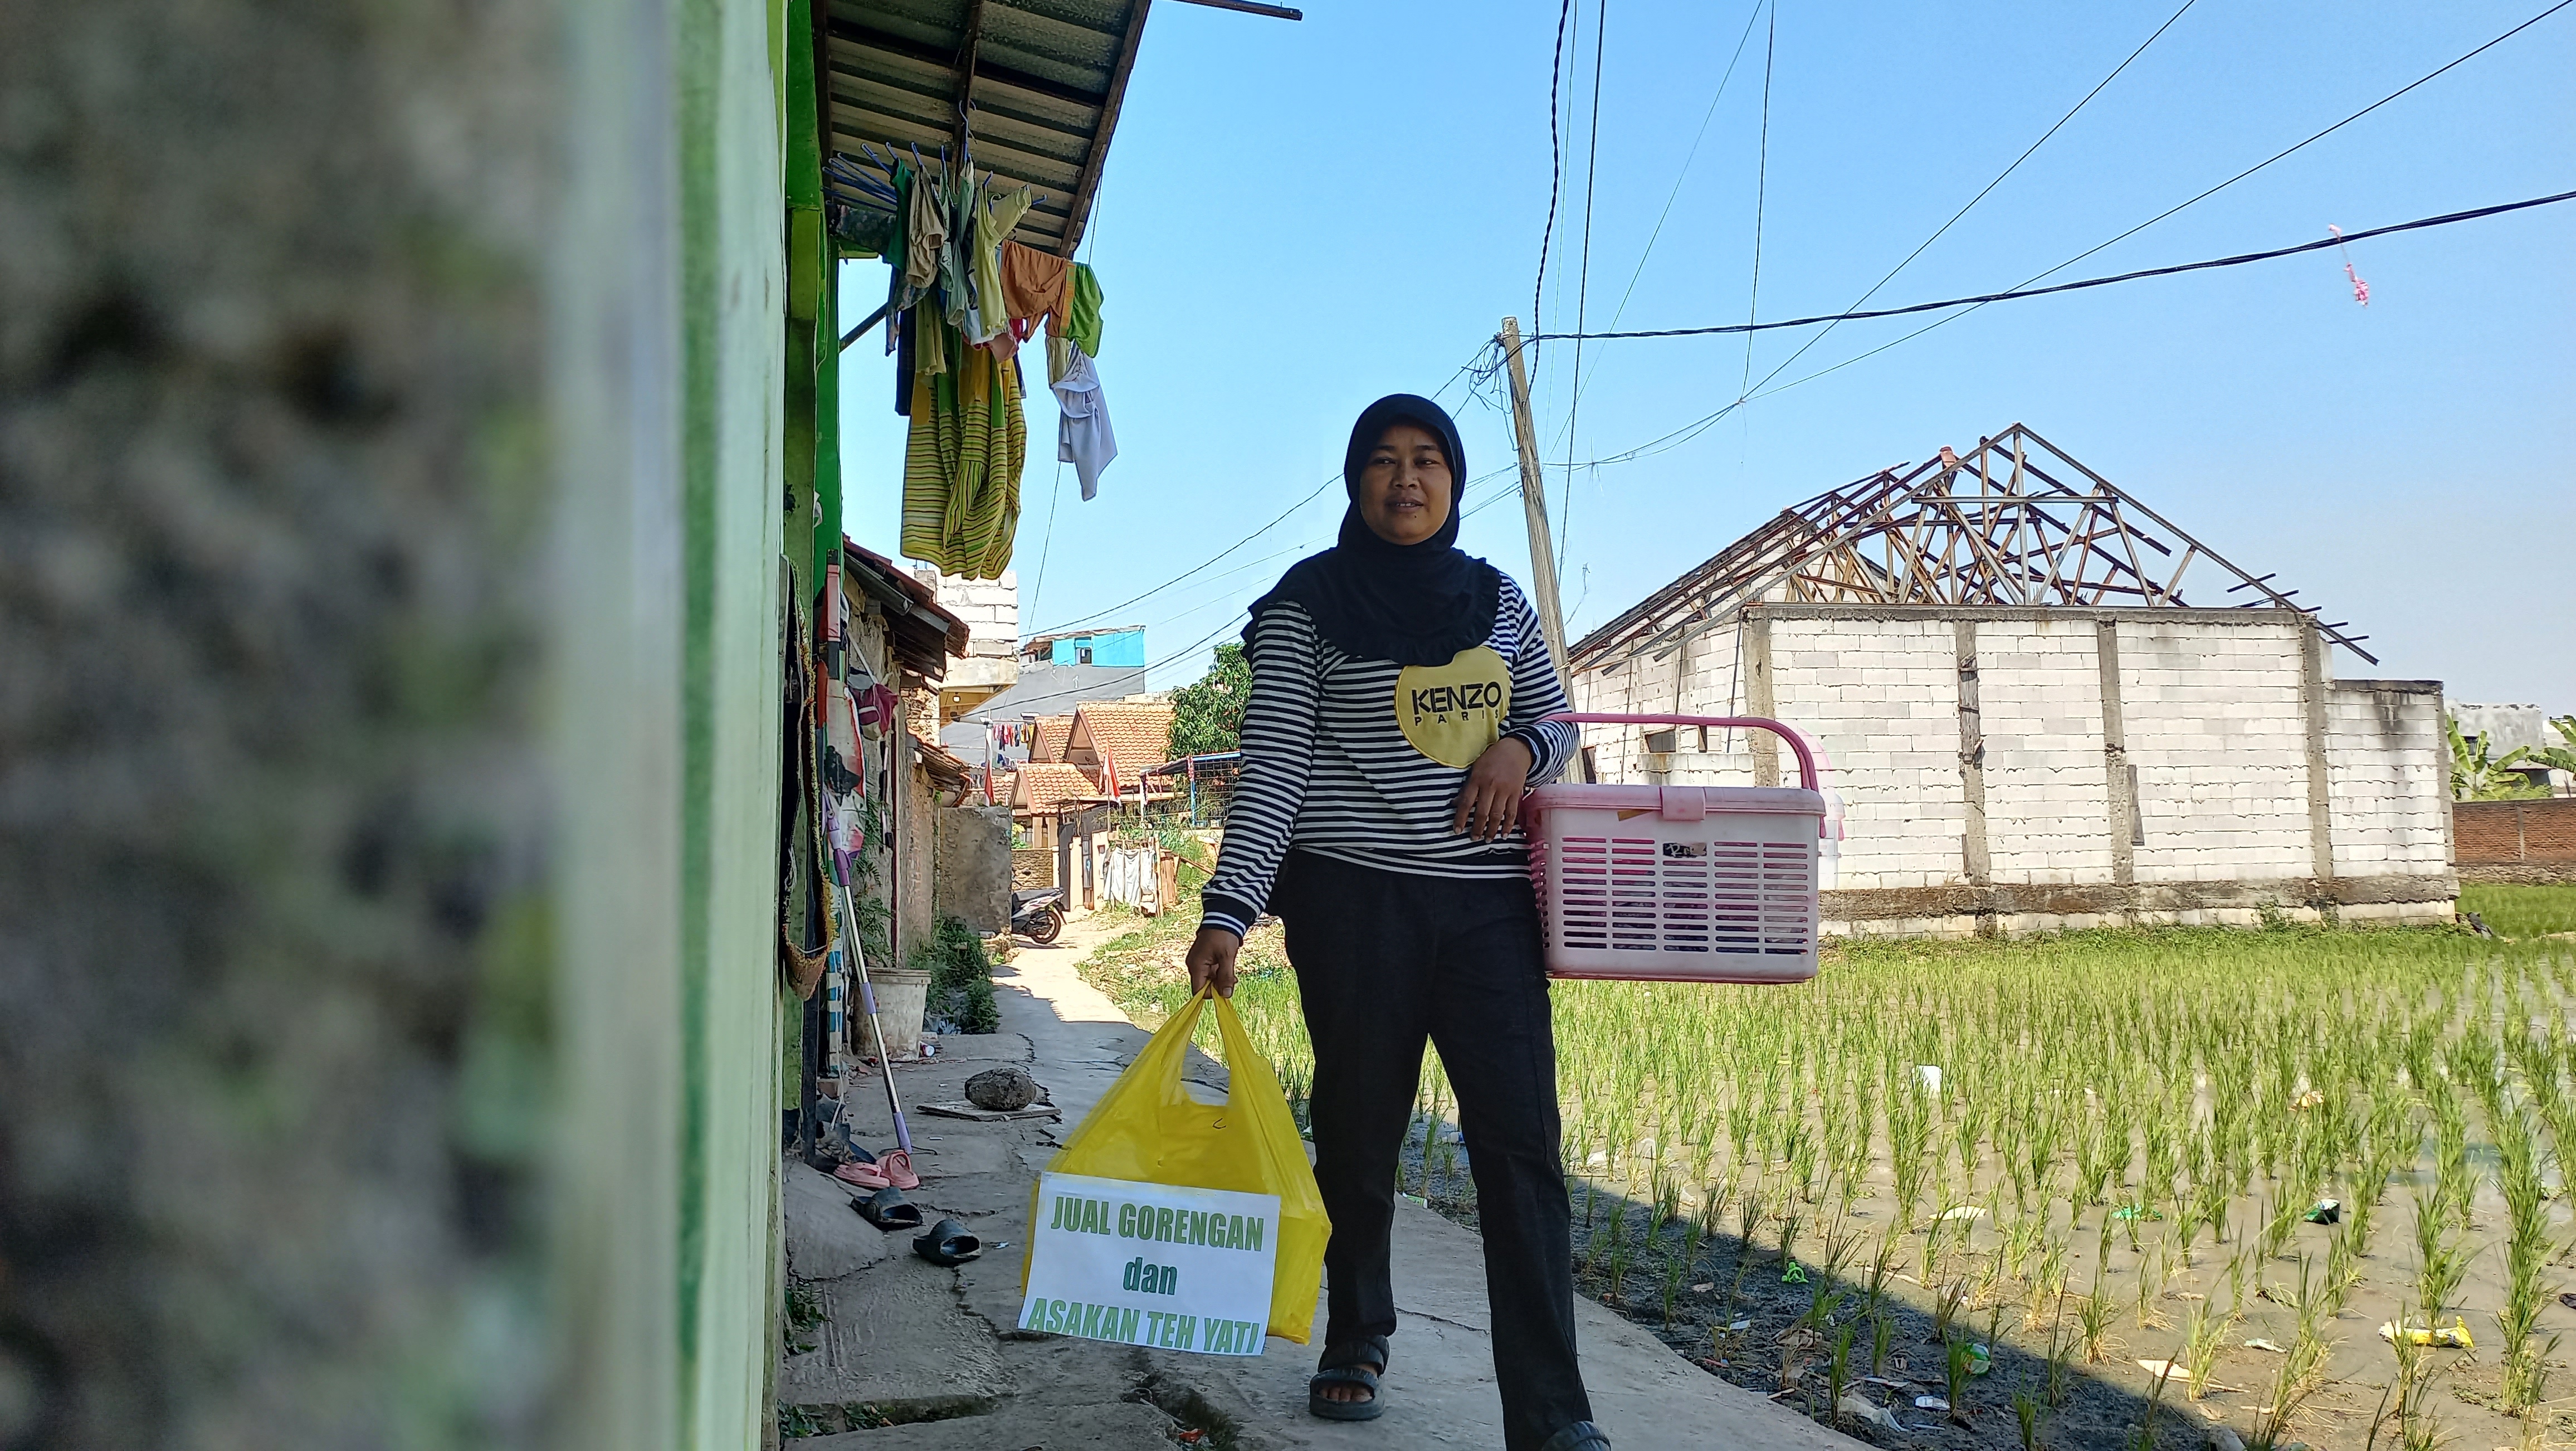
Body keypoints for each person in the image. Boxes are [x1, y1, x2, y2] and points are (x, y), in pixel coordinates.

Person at [1184, 395, 1609, 1451]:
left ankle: (1554, 1419)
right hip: (1355, 909)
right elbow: (1275, 765)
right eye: (1383, 460)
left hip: (1487, 915)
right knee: (1362, 1139)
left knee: (1520, 1150)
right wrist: (1229, 913)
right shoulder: (1307, 606)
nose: (1405, 478)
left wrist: (1520, 751)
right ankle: (1356, 1337)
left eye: (1427, 460)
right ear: (1353, 480)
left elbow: (1556, 718)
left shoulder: (1497, 599)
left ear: (1457, 483)